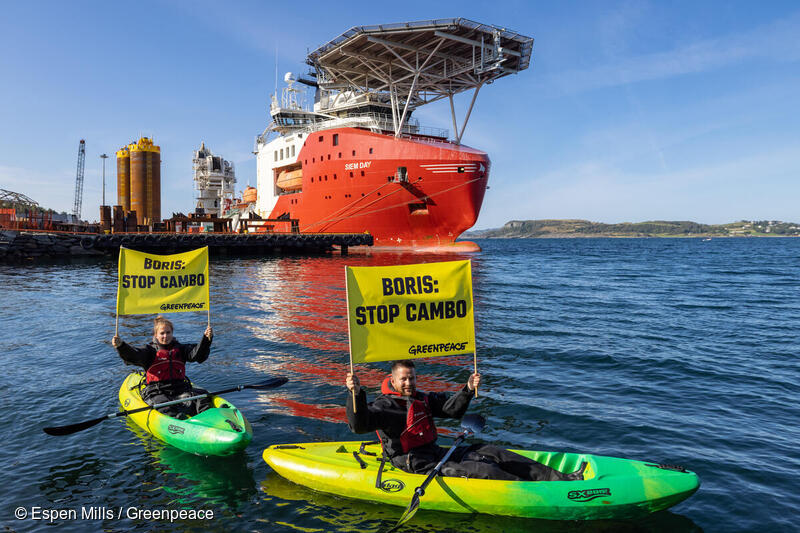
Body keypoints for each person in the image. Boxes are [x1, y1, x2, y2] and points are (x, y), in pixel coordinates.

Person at [346, 359, 586, 481]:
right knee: (484, 469)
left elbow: (451, 410)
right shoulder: (384, 406)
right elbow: (359, 426)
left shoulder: (422, 398)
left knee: (492, 451)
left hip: (435, 452)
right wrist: (355, 394)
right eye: (404, 379)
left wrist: (468, 388)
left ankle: (560, 478)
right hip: (413, 462)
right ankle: (535, 490)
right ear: (393, 381)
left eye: (412, 378)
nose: (409, 383)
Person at [112, 316, 213, 419]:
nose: (165, 336)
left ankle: (209, 418)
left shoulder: (181, 349)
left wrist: (206, 339)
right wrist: (121, 346)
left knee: (202, 398)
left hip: (180, 389)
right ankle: (177, 419)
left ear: (172, 333)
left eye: (168, 332)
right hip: (157, 392)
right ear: (156, 335)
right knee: (164, 406)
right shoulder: (150, 351)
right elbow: (134, 355)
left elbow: (196, 354)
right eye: (162, 333)